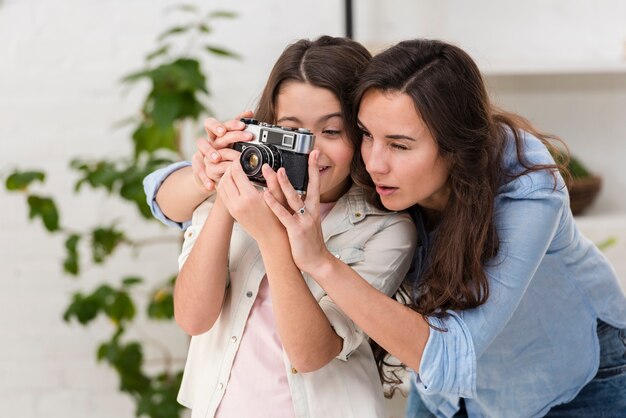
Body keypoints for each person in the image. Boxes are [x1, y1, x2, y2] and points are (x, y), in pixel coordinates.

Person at [261, 39, 626, 417]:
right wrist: (219, 160)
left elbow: (449, 353)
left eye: (400, 146)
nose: (375, 163)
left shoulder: (526, 187)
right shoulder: (372, 168)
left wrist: (321, 262)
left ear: (454, 147)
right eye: (367, 134)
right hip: (445, 395)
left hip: (567, 380)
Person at [143, 36, 417, 418]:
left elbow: (311, 353)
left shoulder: (383, 229)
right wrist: (225, 191)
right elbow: (193, 318)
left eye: (332, 131)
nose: (310, 150)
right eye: (291, 131)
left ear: (361, 133)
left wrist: (272, 236)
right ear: (267, 127)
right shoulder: (241, 194)